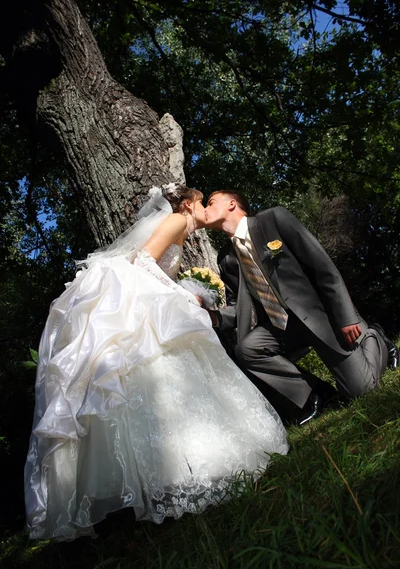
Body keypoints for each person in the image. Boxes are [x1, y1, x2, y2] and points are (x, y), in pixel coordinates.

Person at [24, 184, 288, 542]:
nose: (206, 211)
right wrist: (183, 294)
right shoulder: (179, 220)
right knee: (162, 369)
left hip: (148, 298)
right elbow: (146, 260)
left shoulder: (179, 226)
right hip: (145, 304)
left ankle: (167, 474)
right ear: (189, 204)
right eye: (203, 203)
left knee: (157, 379)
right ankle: (182, 471)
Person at [205, 190, 399, 425]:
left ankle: (375, 337)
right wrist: (213, 317)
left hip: (320, 317)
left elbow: (321, 265)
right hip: (283, 327)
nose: (205, 209)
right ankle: (315, 395)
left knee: (363, 390)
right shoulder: (226, 259)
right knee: (248, 349)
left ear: (231, 204)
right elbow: (239, 307)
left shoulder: (273, 220)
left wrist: (346, 316)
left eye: (210, 203)